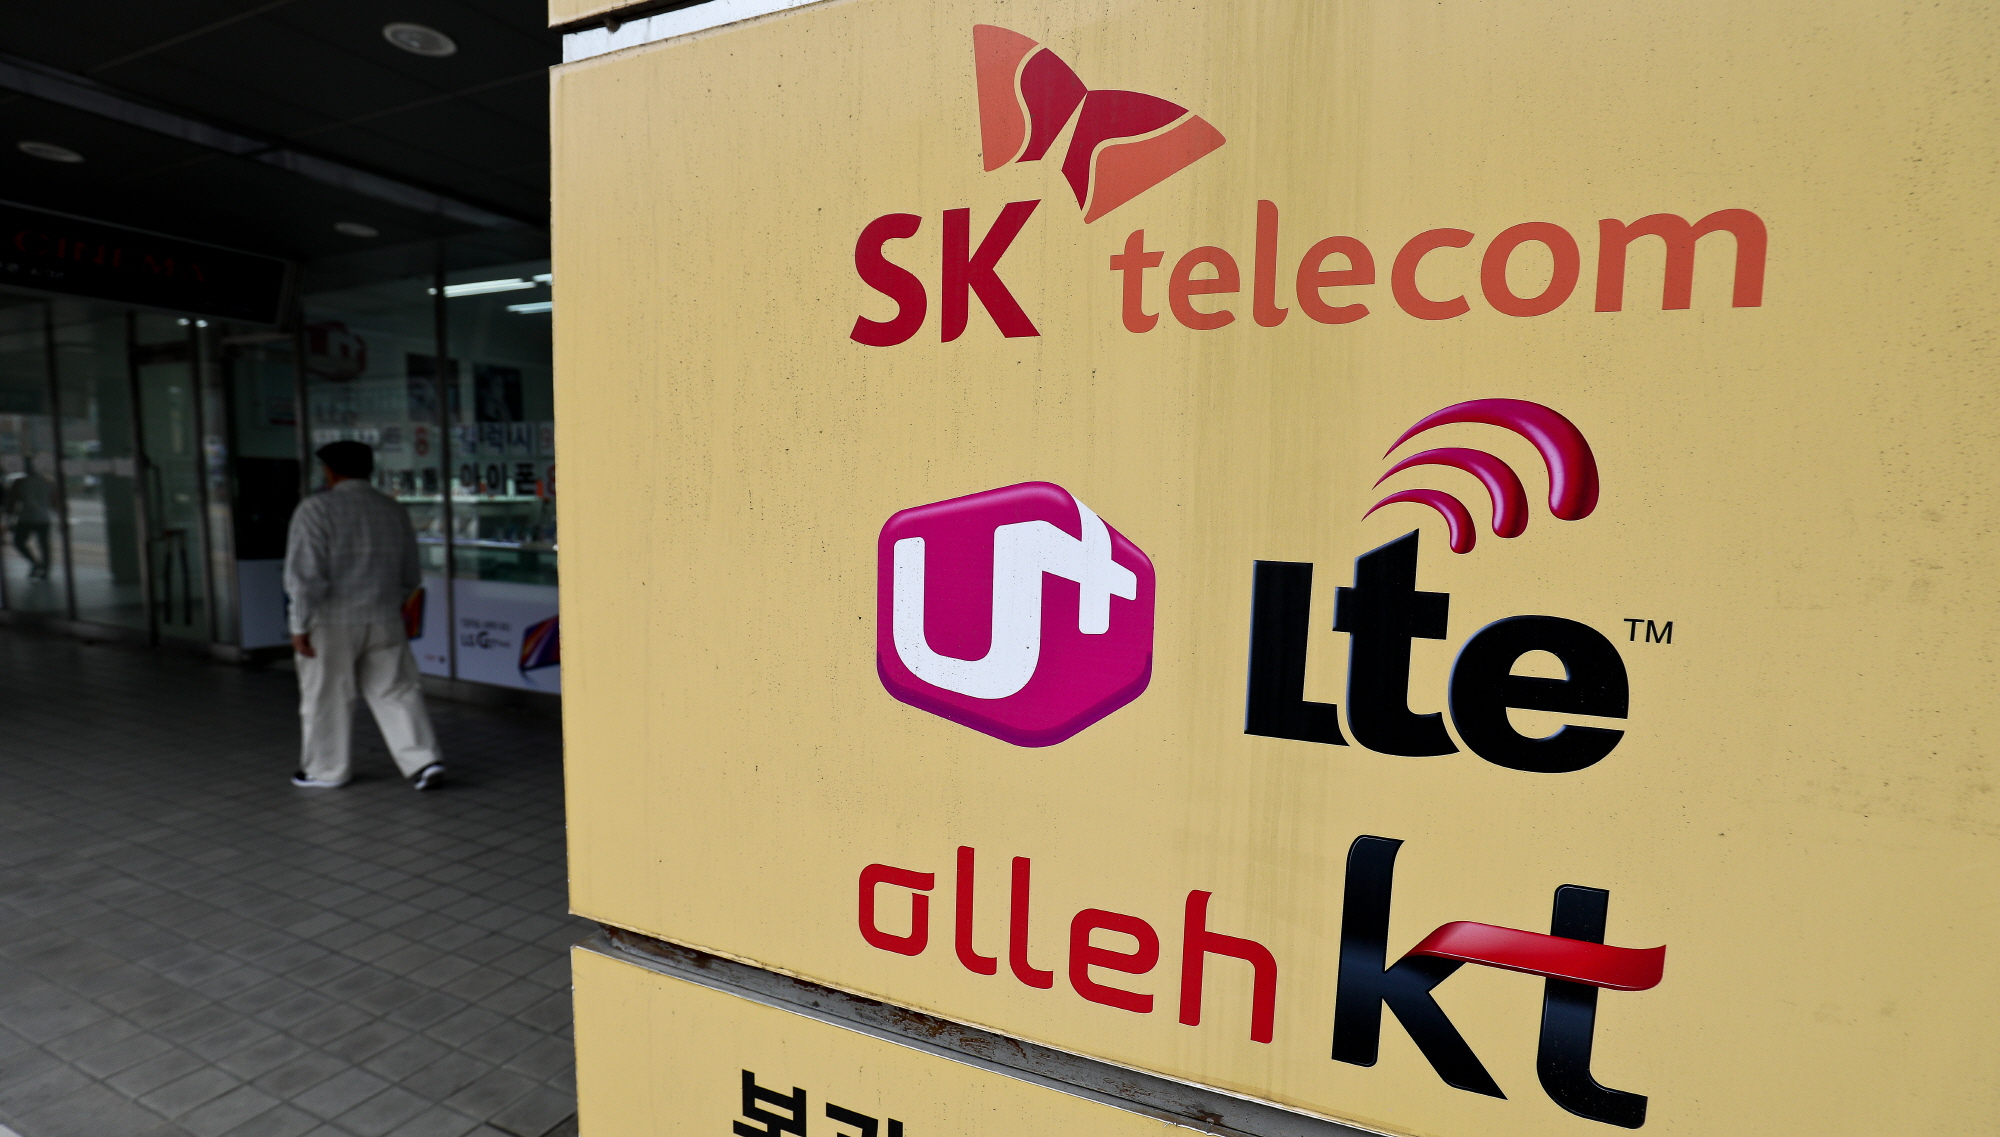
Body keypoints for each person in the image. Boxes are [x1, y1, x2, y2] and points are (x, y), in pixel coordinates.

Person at [283, 440, 445, 790]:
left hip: (331, 622)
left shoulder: (316, 509)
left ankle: (327, 771)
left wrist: (298, 624)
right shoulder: (392, 509)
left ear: (330, 471)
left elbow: (305, 576)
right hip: (384, 617)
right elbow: (411, 574)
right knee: (397, 690)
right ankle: (423, 761)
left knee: (327, 696)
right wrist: (391, 602)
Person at [3, 463, 54, 580]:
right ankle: (45, 571)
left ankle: (35, 563)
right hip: (43, 518)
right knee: (44, 545)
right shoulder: (48, 482)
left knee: (19, 542)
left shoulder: (19, 482)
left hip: (26, 517)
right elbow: (55, 501)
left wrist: (8, 519)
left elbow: (12, 502)